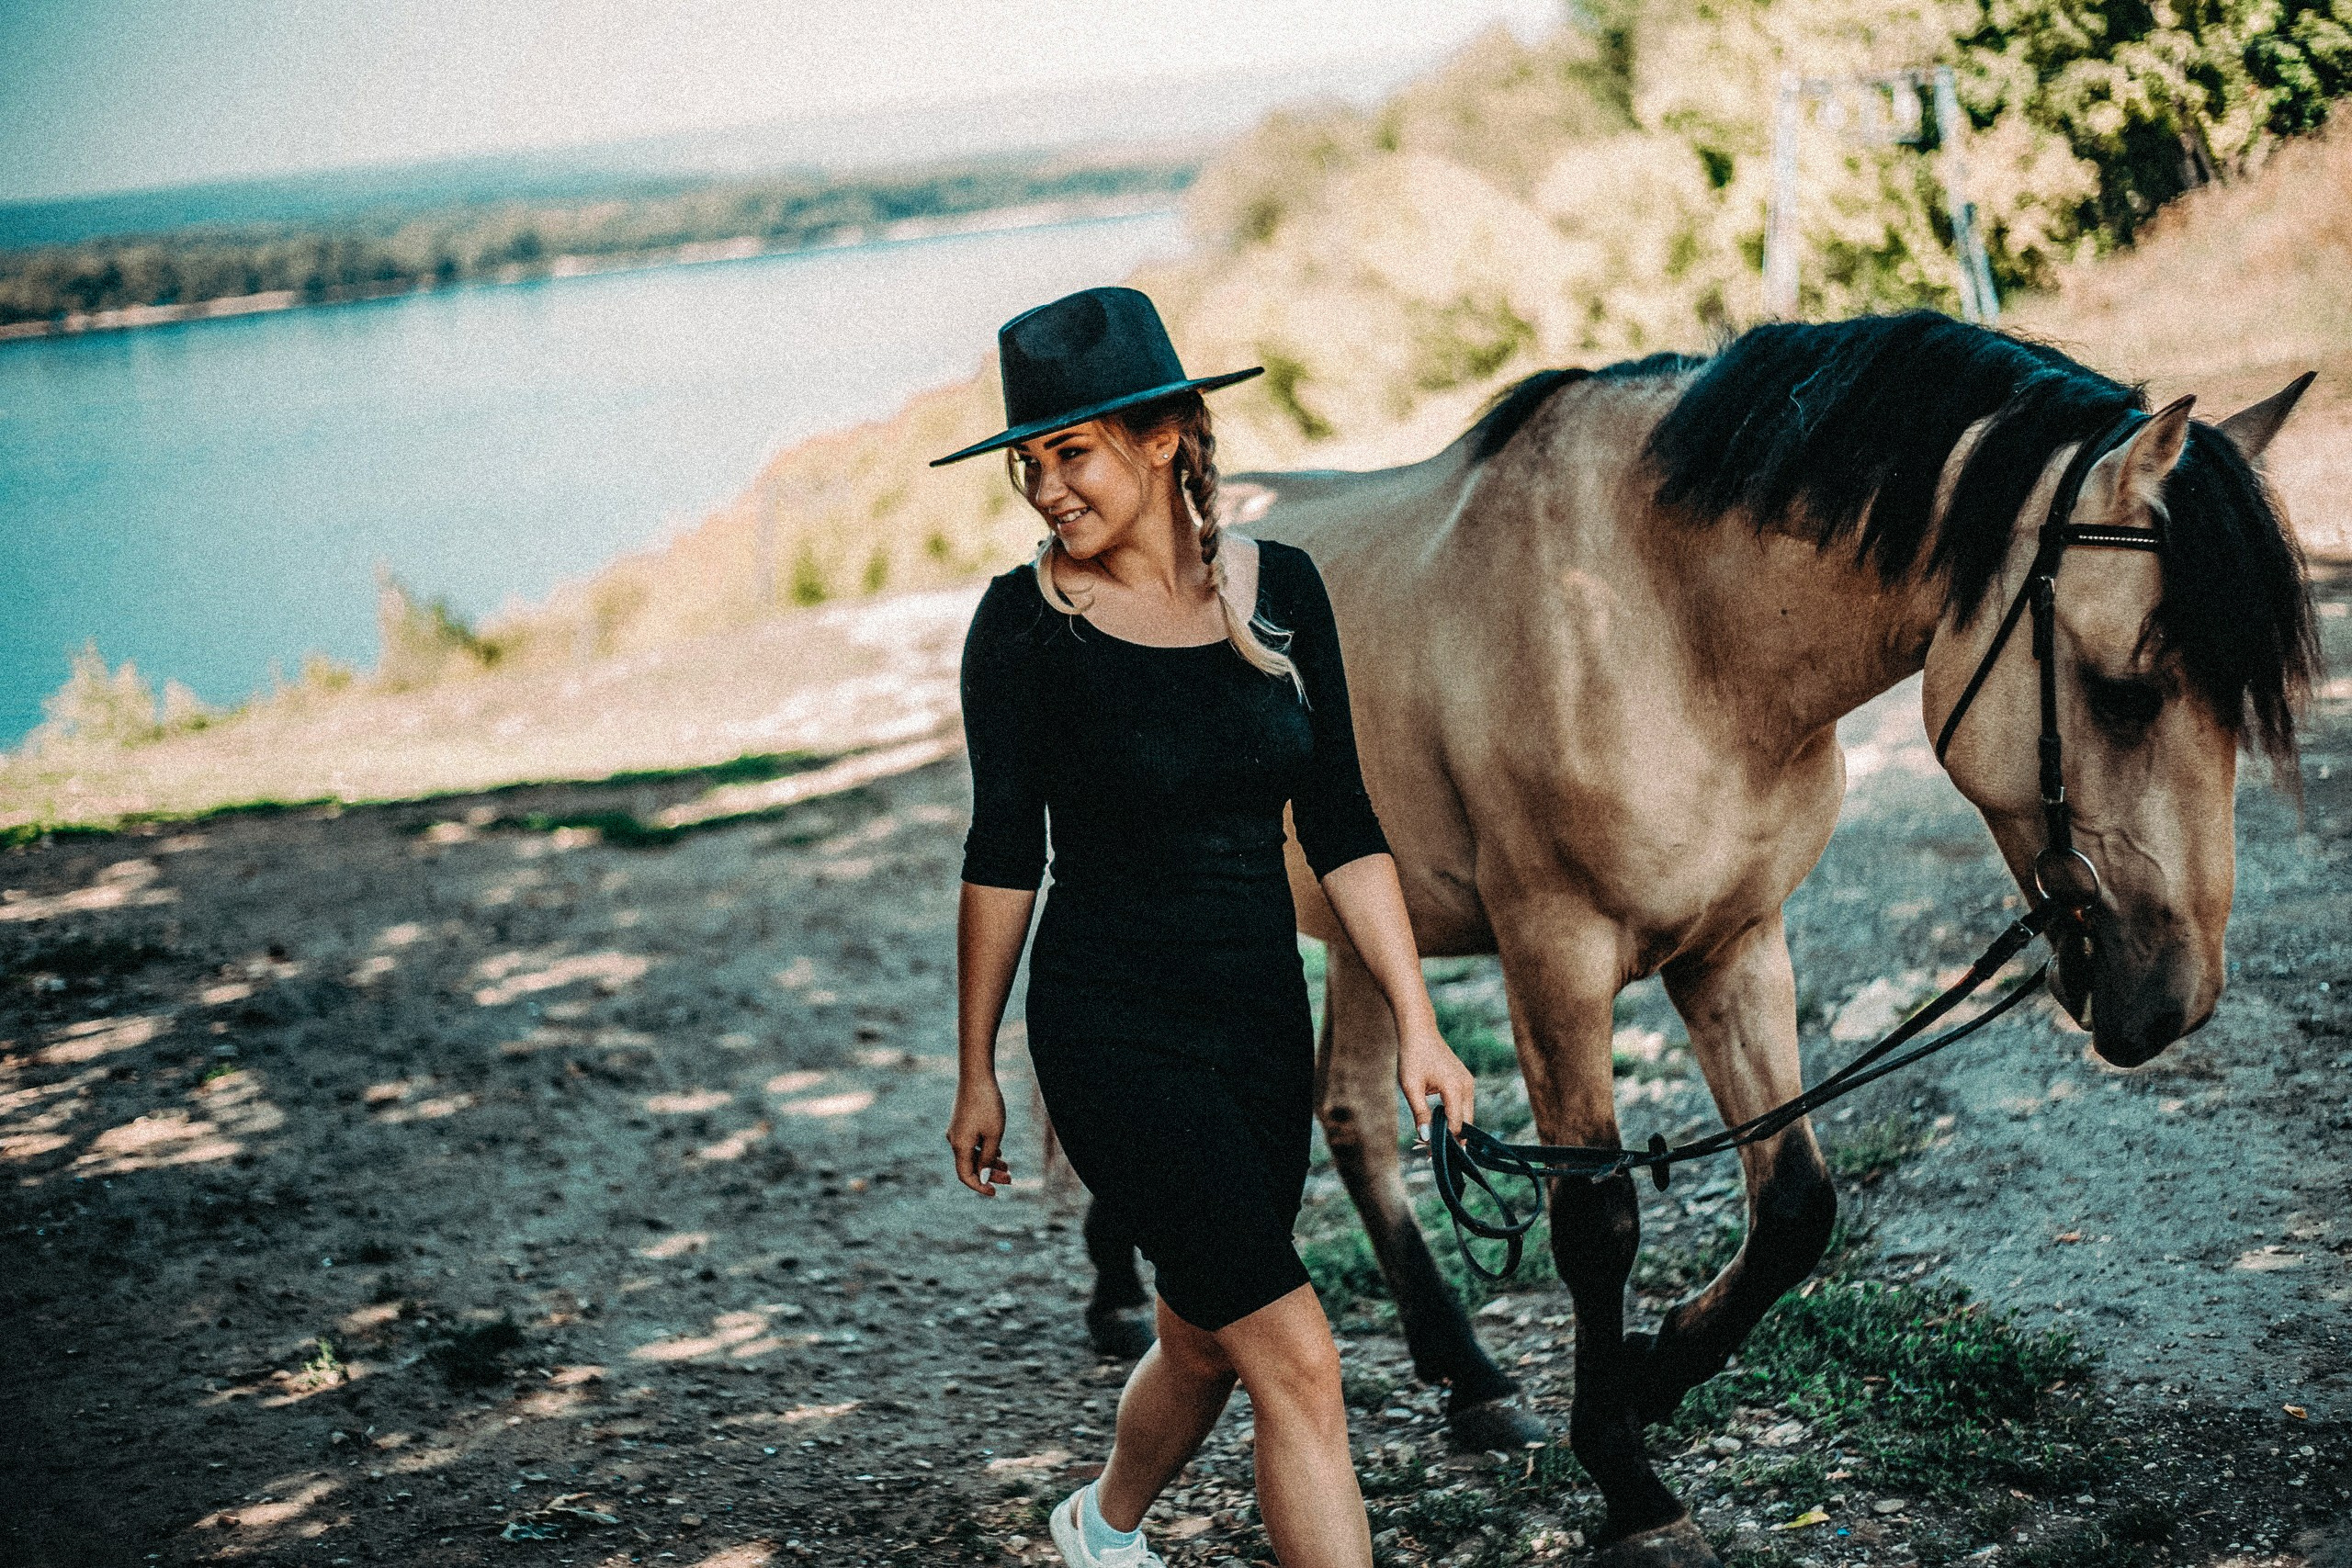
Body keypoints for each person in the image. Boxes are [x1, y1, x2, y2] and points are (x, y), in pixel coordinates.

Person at [934, 287, 1476, 1568]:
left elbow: (1343, 822)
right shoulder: (1022, 629)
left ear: (1164, 434)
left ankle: (1101, 1529)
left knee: (1199, 1331)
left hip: (1254, 1021)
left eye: (1069, 453)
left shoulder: (1281, 591)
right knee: (1295, 1354)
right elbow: (1004, 854)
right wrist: (976, 1069)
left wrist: (1418, 1025)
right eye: (1030, 462)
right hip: (1111, 1025)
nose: (1045, 489)